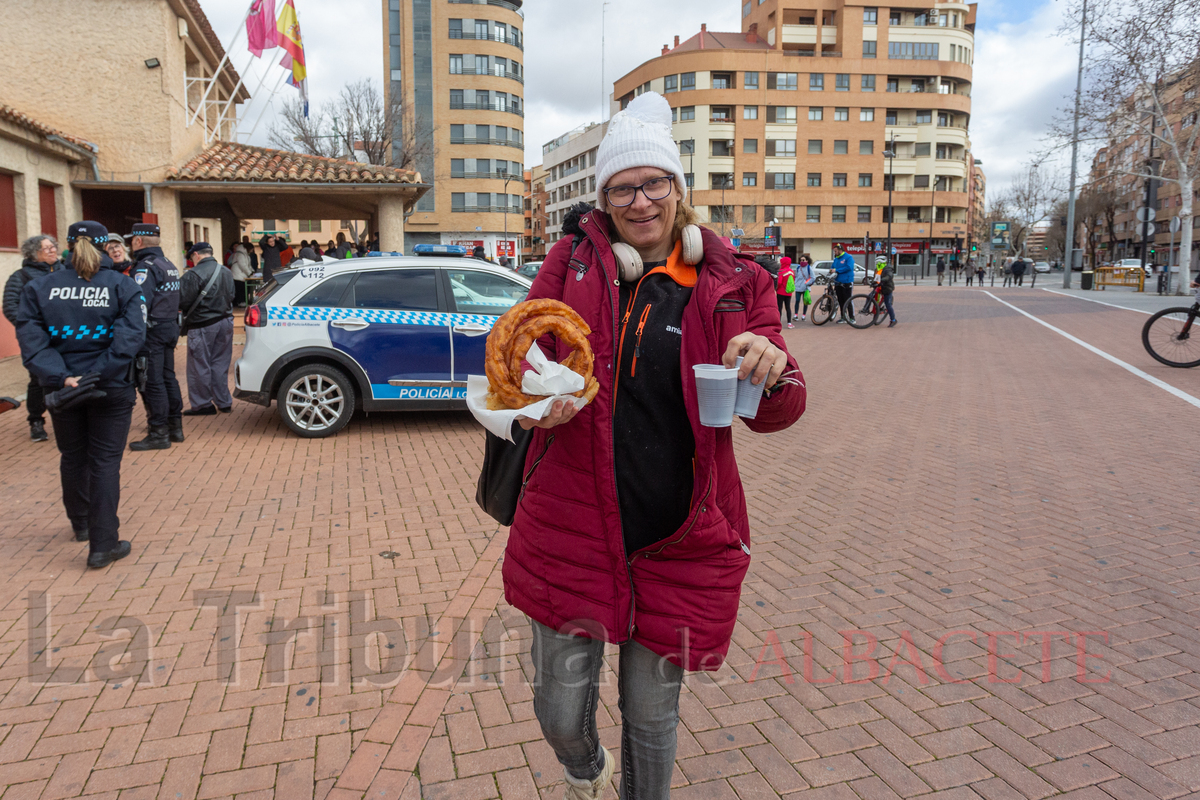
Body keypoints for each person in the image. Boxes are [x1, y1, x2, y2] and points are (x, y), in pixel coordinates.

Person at [506, 92, 805, 800]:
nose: (640, 201)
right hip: (571, 528)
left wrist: (772, 367)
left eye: (654, 183)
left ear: (679, 188)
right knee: (559, 714)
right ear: (604, 201)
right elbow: (521, 352)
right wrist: (530, 399)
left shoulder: (738, 282)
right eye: (622, 189)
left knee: (650, 715)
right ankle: (585, 771)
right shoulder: (568, 266)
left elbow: (779, 412)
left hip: (681, 536)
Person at [15, 221, 145, 567]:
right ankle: (103, 543)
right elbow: (130, 339)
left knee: (73, 456)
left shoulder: (41, 288)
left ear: (69, 246)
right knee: (104, 462)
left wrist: (64, 377)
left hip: (63, 388)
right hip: (110, 386)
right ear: (106, 246)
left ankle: (81, 524)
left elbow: (31, 341)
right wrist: (95, 376)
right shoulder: (123, 285)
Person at [128, 223, 184, 450]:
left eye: (132, 239)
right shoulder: (167, 263)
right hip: (169, 327)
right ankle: (175, 428)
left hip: (152, 331)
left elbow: (140, 304)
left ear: (138, 241)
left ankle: (159, 433)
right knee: (168, 377)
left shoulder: (145, 267)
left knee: (152, 381)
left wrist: (135, 335)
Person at [4, 234, 62, 442]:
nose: (52, 250)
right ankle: (36, 421)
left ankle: (65, 419)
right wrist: (31, 330)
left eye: (53, 246)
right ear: (33, 253)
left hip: (65, 336)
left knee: (65, 376)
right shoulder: (20, 277)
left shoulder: (65, 272)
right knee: (38, 379)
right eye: (46, 248)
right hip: (37, 339)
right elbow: (10, 306)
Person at [180, 243, 235, 416]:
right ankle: (224, 402)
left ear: (196, 254)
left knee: (199, 366)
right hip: (225, 321)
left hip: (202, 324)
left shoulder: (193, 274)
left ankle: (203, 405)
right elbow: (232, 295)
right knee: (220, 363)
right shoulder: (226, 271)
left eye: (191, 258)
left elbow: (181, 301)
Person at [832, 244, 857, 323]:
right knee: (840, 300)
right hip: (838, 282)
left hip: (847, 282)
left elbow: (849, 267)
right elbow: (833, 267)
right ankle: (843, 317)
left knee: (848, 300)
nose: (835, 253)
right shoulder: (836, 259)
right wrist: (831, 270)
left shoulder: (848, 257)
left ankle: (852, 318)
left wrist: (837, 270)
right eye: (834, 251)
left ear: (840, 250)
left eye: (835, 251)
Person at [229, 242, 252, 308]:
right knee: (240, 289)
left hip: (241, 274)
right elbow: (243, 265)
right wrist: (249, 272)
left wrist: (251, 271)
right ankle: (240, 302)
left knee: (242, 289)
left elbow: (248, 265)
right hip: (238, 275)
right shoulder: (240, 254)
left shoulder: (245, 254)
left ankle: (242, 302)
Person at [775, 254, 795, 328]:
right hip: (788, 292)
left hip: (780, 292)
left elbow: (779, 282)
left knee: (779, 308)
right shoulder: (791, 271)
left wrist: (776, 288)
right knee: (788, 307)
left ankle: (778, 323)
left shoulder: (781, 271)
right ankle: (789, 323)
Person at [880, 260, 898, 327]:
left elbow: (889, 276)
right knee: (870, 295)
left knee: (888, 304)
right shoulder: (878, 269)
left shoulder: (887, 269)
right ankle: (866, 309)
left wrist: (884, 279)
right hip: (881, 286)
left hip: (887, 288)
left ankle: (893, 320)